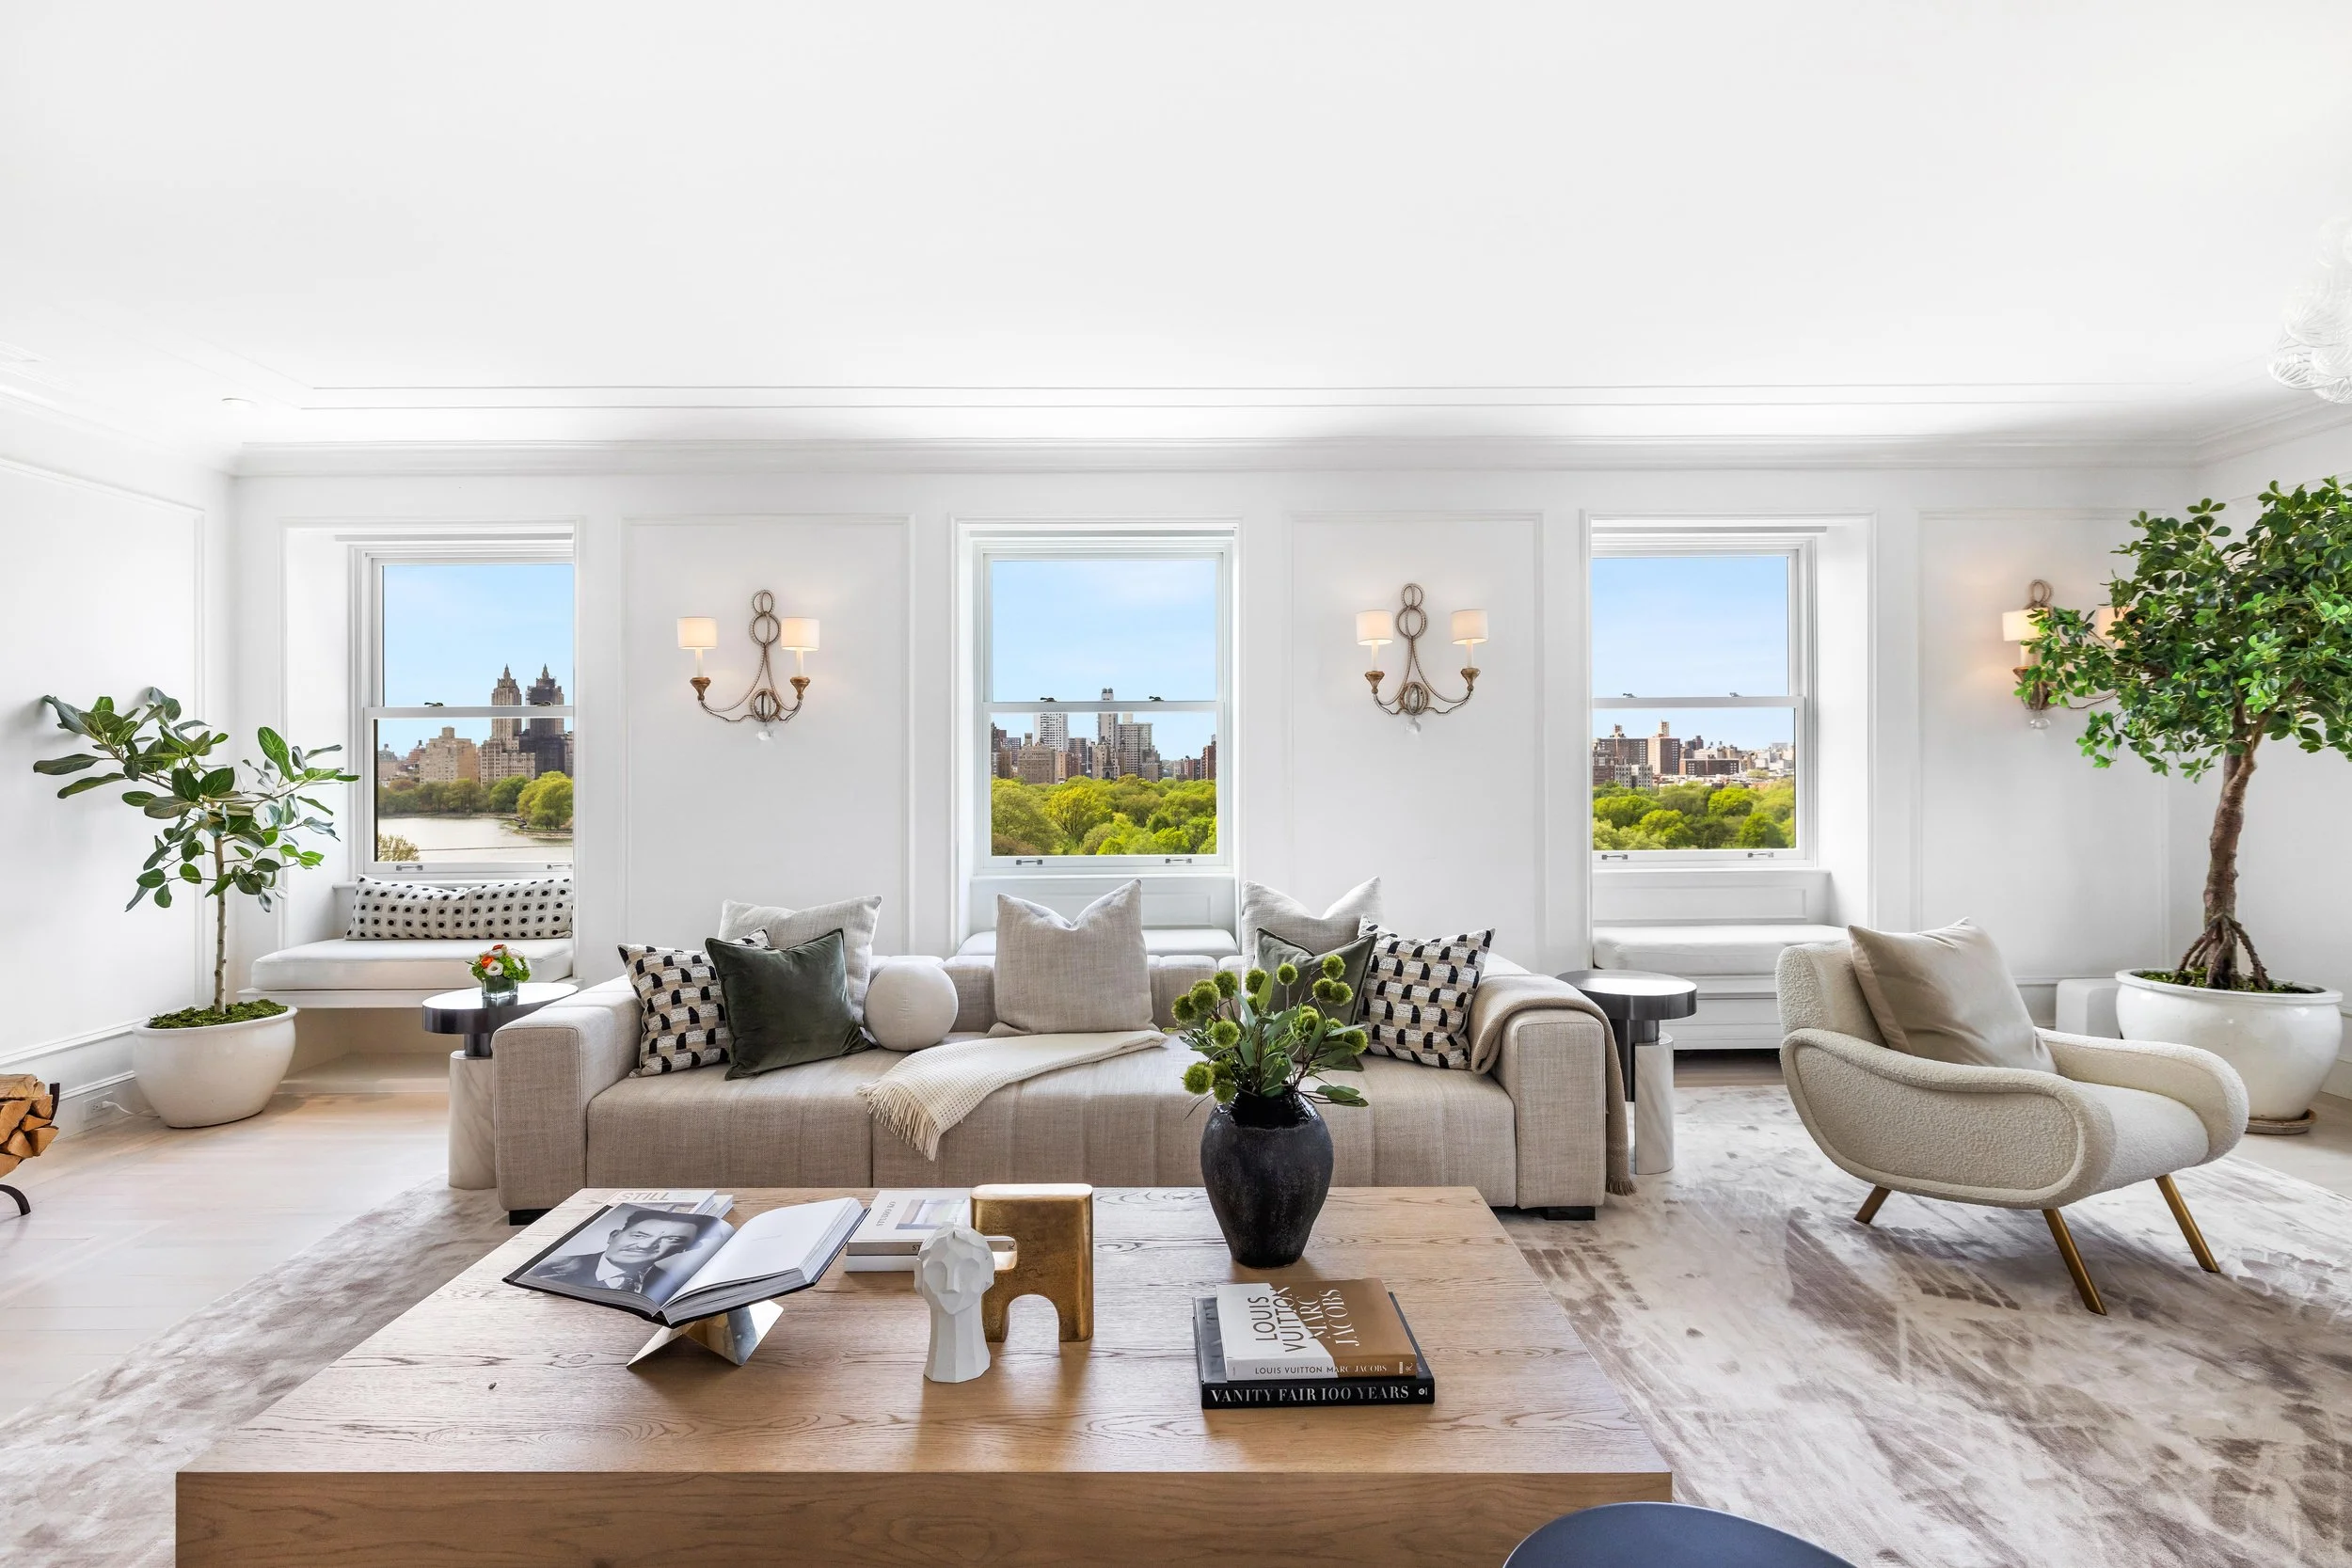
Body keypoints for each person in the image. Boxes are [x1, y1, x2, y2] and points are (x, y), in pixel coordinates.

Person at [532, 1209, 707, 1298]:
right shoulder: (548, 1269)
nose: (646, 1246)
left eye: (672, 1240)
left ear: (684, 1250)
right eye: (639, 1235)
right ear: (613, 1236)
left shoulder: (677, 1286)